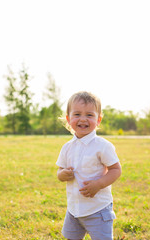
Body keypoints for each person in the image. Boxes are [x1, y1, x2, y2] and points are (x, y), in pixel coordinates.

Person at [56, 91, 122, 240]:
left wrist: (99, 184)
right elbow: (59, 171)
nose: (83, 119)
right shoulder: (67, 147)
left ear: (98, 120)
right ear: (68, 119)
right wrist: (62, 174)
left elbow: (116, 170)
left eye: (89, 115)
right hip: (74, 209)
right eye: (77, 114)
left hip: (97, 209)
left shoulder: (102, 146)